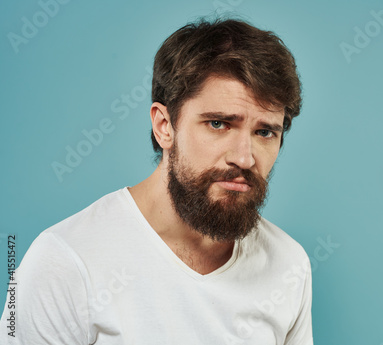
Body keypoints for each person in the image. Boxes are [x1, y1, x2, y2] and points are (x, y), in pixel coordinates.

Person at [0, 17, 313, 344]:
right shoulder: (66, 261)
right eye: (218, 124)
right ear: (164, 126)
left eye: (264, 132)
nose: (245, 158)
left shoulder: (288, 264)